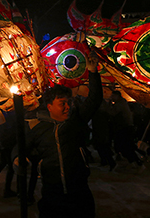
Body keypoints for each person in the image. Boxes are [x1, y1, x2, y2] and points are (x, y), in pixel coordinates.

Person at [20, 51, 102, 218]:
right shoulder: (39, 128)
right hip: (51, 195)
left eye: (69, 103)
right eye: (62, 103)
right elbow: (21, 147)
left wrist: (93, 73)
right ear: (49, 106)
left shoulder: (75, 122)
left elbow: (94, 99)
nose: (68, 107)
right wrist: (17, 158)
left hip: (79, 194)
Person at [109, 90, 143, 169]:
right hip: (125, 127)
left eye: (113, 96)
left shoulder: (120, 104)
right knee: (126, 146)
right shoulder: (121, 103)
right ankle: (134, 161)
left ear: (118, 96)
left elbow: (112, 113)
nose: (111, 98)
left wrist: (108, 105)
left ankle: (137, 163)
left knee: (126, 146)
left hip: (125, 128)